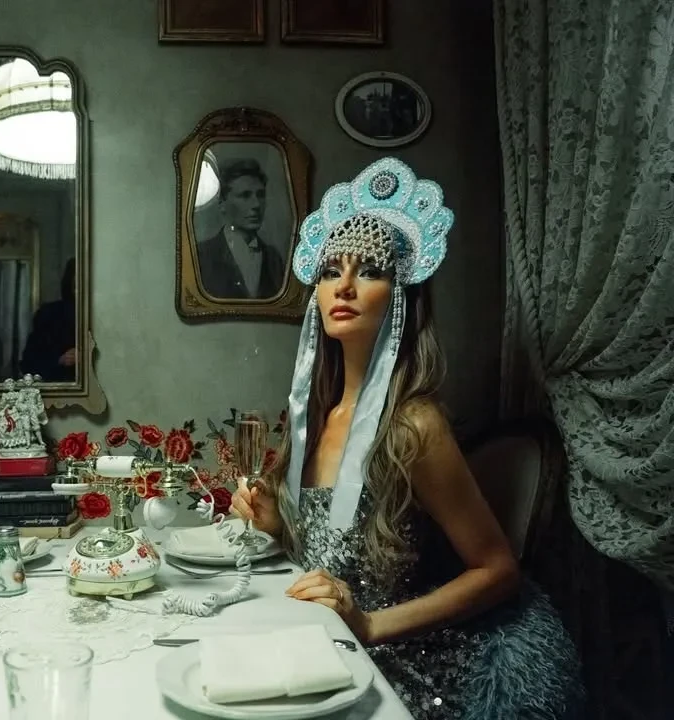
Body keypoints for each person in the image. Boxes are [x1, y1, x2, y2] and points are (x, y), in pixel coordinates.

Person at [230, 158, 582, 719]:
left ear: (400, 295)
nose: (344, 286)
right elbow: (331, 556)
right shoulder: (315, 416)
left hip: (404, 659)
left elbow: (497, 571)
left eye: (369, 270)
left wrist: (369, 625)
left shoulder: (413, 426)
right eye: (330, 271)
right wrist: (276, 524)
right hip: (323, 639)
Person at [196, 158, 286, 299]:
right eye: (245, 196)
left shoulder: (273, 258)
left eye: (260, 195)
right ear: (222, 203)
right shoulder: (202, 254)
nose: (256, 204)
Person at [21, 258, 76, 382]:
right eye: (77, 285)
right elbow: (29, 364)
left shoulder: (107, 318)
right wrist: (60, 360)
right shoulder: (49, 314)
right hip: (57, 386)